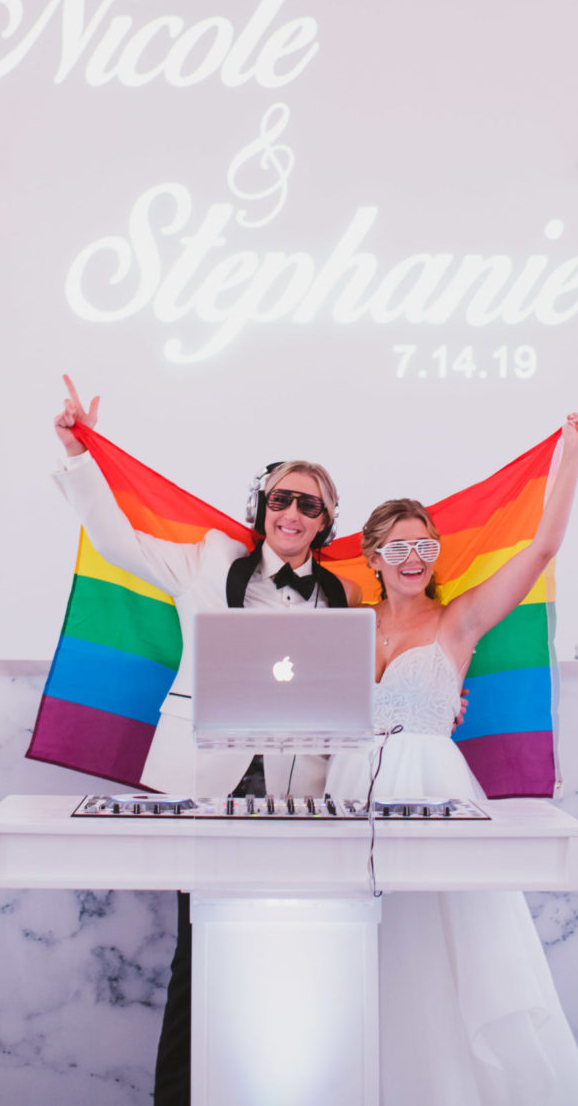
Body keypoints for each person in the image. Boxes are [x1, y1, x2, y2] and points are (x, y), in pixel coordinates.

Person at [326, 414, 578, 1106]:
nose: (414, 556)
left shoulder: (460, 620)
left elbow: (542, 547)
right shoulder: (346, 621)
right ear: (373, 557)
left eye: (425, 544)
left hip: (433, 791)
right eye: (399, 546)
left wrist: (571, 453)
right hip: (351, 789)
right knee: (368, 940)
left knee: (445, 946)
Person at [52, 374, 360, 1104]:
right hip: (204, 779)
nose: (291, 511)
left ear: (325, 522)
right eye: (281, 497)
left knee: (294, 951)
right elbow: (116, 539)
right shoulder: (208, 560)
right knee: (199, 951)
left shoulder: (345, 593)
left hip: (301, 795)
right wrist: (77, 453)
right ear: (262, 509)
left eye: (308, 503)